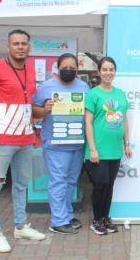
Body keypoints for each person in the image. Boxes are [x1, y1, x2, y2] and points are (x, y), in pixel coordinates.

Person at [0, 29, 46, 253]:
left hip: (25, 139)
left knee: (21, 184)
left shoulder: (30, 70)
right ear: (8, 47)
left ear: (29, 47)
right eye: (15, 43)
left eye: (24, 43)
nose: (20, 47)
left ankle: (20, 226)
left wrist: (45, 110)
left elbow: (27, 105)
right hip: (2, 139)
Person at [33, 53, 90, 235]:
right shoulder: (46, 87)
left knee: (71, 182)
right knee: (58, 181)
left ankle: (67, 215)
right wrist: (44, 109)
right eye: (64, 68)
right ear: (57, 69)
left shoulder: (84, 87)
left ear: (77, 70)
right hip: (55, 144)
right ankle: (58, 220)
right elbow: (33, 110)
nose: (68, 71)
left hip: (77, 142)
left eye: (71, 68)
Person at [85, 57, 132, 235]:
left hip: (115, 149)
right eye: (104, 69)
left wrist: (126, 143)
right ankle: (96, 220)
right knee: (101, 183)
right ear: (99, 71)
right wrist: (93, 148)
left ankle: (105, 217)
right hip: (97, 149)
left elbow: (125, 121)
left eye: (111, 69)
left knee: (110, 184)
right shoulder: (93, 94)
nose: (108, 73)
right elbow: (88, 123)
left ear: (115, 71)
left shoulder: (120, 94)